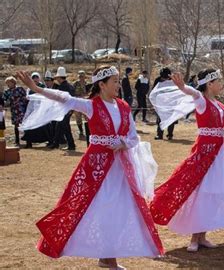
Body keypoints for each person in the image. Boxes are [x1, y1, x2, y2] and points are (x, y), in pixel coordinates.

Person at [17, 67, 164, 268]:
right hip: (96, 167)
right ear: (102, 85)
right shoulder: (91, 106)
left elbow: (132, 135)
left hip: (120, 167)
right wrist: (37, 88)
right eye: (114, 81)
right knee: (99, 208)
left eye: (118, 81)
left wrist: (122, 143)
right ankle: (107, 258)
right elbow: (64, 98)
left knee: (118, 209)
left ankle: (107, 257)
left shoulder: (123, 106)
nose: (118, 85)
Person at [149, 70, 224, 253]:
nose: (221, 83)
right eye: (218, 81)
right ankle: (195, 237)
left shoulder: (220, 105)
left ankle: (202, 236)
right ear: (209, 84)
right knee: (201, 192)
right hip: (204, 154)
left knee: (213, 193)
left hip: (220, 155)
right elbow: (194, 93)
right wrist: (183, 87)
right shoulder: (202, 101)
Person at [50, 67, 76, 150]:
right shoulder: (70, 86)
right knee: (60, 126)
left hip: (64, 109)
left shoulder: (62, 87)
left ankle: (70, 145)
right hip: (69, 109)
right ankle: (57, 143)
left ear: (59, 77)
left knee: (64, 127)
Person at [2, 76, 29, 146]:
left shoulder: (20, 89)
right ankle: (17, 141)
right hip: (14, 110)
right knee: (16, 125)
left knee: (25, 124)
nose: (8, 85)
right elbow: (4, 100)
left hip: (21, 109)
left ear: (13, 82)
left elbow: (26, 97)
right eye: (7, 83)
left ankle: (28, 141)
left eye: (9, 83)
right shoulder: (7, 92)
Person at [153, 67, 176, 140]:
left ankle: (170, 134)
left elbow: (176, 92)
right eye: (163, 78)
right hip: (161, 102)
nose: (164, 79)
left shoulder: (173, 81)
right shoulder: (158, 80)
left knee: (171, 119)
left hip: (170, 102)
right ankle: (159, 135)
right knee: (160, 119)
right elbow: (154, 91)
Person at [72, 70, 90, 140]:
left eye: (82, 76)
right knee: (78, 118)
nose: (81, 77)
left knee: (87, 118)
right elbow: (72, 93)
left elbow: (90, 93)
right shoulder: (75, 84)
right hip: (77, 103)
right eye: (80, 76)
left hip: (85, 103)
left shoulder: (87, 84)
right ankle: (81, 131)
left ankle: (88, 131)